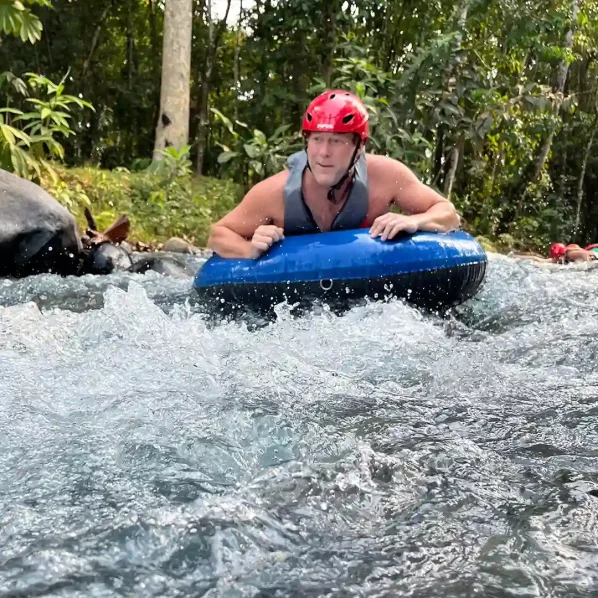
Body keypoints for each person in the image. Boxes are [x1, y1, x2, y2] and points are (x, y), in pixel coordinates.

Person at [208, 90, 461, 259]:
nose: (323, 153)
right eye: (317, 139)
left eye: (337, 142)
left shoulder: (386, 176)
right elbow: (218, 234)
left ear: (359, 147)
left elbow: (447, 213)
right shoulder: (274, 193)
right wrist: (248, 247)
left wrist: (414, 222)